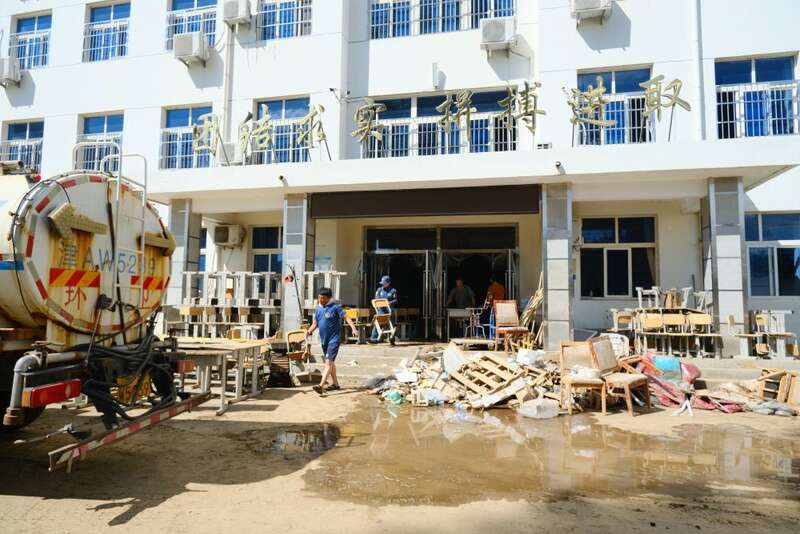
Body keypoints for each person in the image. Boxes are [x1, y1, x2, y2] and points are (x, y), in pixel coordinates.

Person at [306, 287, 358, 395]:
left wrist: (353, 329)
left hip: (334, 340)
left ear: (329, 298)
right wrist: (309, 331)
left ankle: (321, 385)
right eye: (319, 298)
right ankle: (335, 384)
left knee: (328, 363)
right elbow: (315, 323)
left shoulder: (335, 307)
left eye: (323, 298)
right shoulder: (318, 309)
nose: (321, 300)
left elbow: (346, 318)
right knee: (331, 362)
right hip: (324, 340)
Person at [370, 275, 398, 343]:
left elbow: (395, 300)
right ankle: (373, 338)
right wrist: (382, 303)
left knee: (391, 323)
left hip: (389, 310)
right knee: (377, 322)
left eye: (384, 283)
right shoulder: (379, 290)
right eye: (382, 283)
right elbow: (376, 299)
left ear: (388, 283)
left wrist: (389, 303)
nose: (383, 284)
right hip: (381, 310)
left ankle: (392, 339)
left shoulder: (393, 290)